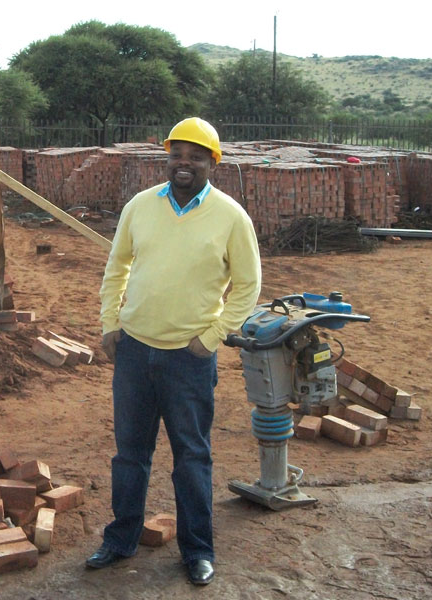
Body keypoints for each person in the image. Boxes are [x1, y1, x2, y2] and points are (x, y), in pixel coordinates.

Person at [86, 117, 261, 586]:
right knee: (130, 455)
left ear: (212, 163)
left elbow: (248, 287)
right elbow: (116, 267)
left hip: (189, 359)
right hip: (135, 352)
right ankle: (119, 540)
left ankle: (197, 550)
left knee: (191, 456)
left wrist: (213, 337)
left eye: (195, 157)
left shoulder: (230, 217)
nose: (184, 164)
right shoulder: (141, 206)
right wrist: (110, 324)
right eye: (177, 155)